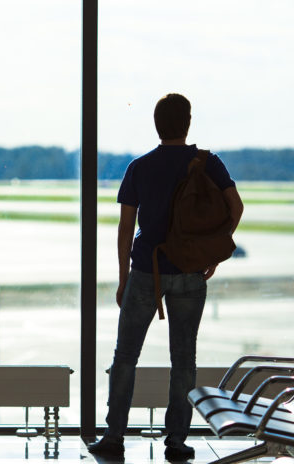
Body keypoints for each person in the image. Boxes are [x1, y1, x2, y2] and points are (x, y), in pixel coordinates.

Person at [87, 93, 244, 461]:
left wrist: (123, 277)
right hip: (190, 271)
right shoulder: (208, 164)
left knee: (125, 355)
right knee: (184, 360)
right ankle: (176, 440)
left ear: (156, 125)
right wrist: (211, 250)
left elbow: (126, 229)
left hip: (145, 270)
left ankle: (114, 436)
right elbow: (236, 207)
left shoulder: (139, 167)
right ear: (187, 123)